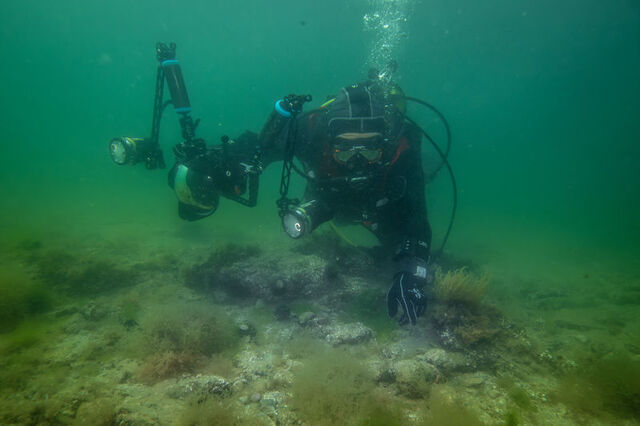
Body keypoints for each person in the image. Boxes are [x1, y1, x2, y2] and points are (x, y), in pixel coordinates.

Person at [170, 79, 433, 325]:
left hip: (383, 208)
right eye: (344, 151)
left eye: (370, 151)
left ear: (384, 144)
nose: (357, 163)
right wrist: (214, 166)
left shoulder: (402, 145)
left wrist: (412, 272)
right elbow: (257, 148)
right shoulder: (310, 130)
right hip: (325, 200)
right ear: (329, 140)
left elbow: (417, 219)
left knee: (394, 254)